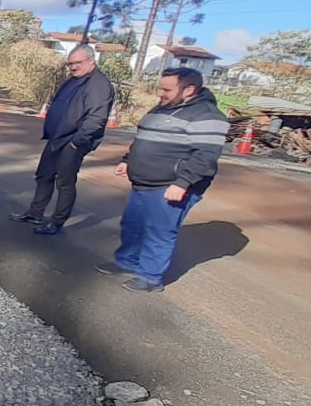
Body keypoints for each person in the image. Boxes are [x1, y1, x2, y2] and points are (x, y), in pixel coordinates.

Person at [98, 66, 228, 293]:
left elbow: (206, 156)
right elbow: (145, 138)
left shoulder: (208, 116)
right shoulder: (165, 108)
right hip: (143, 181)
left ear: (189, 90)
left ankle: (150, 277)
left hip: (171, 185)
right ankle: (128, 262)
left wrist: (182, 183)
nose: (160, 93)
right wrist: (128, 160)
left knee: (159, 231)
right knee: (132, 224)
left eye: (167, 89)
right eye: (160, 88)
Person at [11, 44, 114, 235]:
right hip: (57, 138)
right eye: (70, 64)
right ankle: (35, 213)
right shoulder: (73, 80)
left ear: (91, 61)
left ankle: (57, 222)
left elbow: (96, 119)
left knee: (65, 183)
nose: (73, 67)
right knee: (44, 175)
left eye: (78, 63)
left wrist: (77, 141)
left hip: (72, 141)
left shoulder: (98, 85)